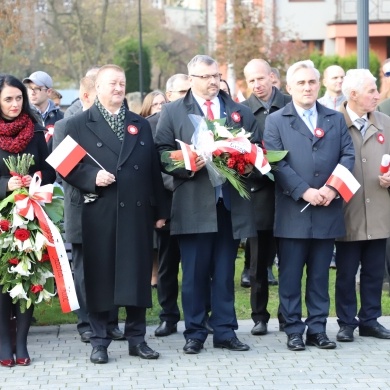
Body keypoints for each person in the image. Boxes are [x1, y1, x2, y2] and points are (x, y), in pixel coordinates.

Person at [155, 54, 260, 354]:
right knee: (194, 274)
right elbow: (161, 153)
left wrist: (246, 162)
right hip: (192, 204)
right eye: (206, 77)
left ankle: (226, 332)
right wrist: (187, 163)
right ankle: (195, 333)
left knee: (225, 273)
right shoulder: (174, 111)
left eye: (216, 75)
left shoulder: (238, 111)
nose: (213, 81)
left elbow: (256, 148)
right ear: (191, 80)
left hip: (229, 204)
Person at [62, 64, 168, 364]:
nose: (118, 89)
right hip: (100, 212)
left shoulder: (140, 123)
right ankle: (99, 341)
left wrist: (160, 210)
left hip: (136, 214)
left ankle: (137, 339)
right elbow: (64, 163)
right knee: (100, 278)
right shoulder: (79, 123)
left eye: (122, 83)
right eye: (112, 83)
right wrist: (91, 177)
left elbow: (151, 171)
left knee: (136, 277)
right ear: (97, 88)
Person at [263, 60, 355, 351]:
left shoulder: (334, 118)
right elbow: (275, 161)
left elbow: (348, 155)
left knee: (318, 276)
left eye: (311, 82)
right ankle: (293, 329)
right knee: (290, 276)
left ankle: (317, 329)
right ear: (289, 87)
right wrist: (303, 191)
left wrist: (331, 188)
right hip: (294, 212)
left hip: (327, 208)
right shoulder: (276, 120)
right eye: (300, 83)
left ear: (319, 85)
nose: (307, 87)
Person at [53, 75, 125, 343]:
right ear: (87, 96)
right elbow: (64, 166)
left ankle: (112, 321)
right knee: (85, 269)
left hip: (115, 208)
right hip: (82, 207)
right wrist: (92, 178)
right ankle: (86, 322)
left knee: (114, 265)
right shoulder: (67, 125)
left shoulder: (119, 123)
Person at [0, 74, 56, 367]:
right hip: (2, 218)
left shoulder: (34, 131)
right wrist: (5, 185)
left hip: (32, 215)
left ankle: (21, 343)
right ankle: (4, 343)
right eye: (8, 98)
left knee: (28, 277)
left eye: (19, 98)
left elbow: (49, 171)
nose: (14, 104)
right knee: (3, 282)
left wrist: (35, 179)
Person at [335, 69, 390, 342]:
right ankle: (346, 322)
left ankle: (370, 319)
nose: (377, 94)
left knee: (373, 271)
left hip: (379, 210)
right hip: (348, 209)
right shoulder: (334, 122)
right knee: (346, 272)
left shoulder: (386, 122)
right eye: (371, 90)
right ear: (353, 94)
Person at [241, 58, 292, 336]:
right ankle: (259, 316)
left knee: (290, 260)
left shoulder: (290, 103)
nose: (257, 85)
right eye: (251, 80)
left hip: (290, 193)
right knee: (258, 263)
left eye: (261, 78)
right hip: (258, 194)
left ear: (273, 77)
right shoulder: (243, 112)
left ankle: (288, 315)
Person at [148, 74, 189, 338]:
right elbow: (152, 169)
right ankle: (169, 316)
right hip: (169, 205)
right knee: (167, 266)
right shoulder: (150, 124)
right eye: (181, 91)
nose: (186, 95)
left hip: (198, 206)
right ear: (169, 94)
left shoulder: (200, 121)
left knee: (198, 266)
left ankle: (201, 314)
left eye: (189, 90)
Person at [22, 71, 64, 151]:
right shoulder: (22, 117)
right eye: (30, 88)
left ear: (49, 92)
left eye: (37, 88)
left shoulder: (62, 118)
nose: (32, 92)